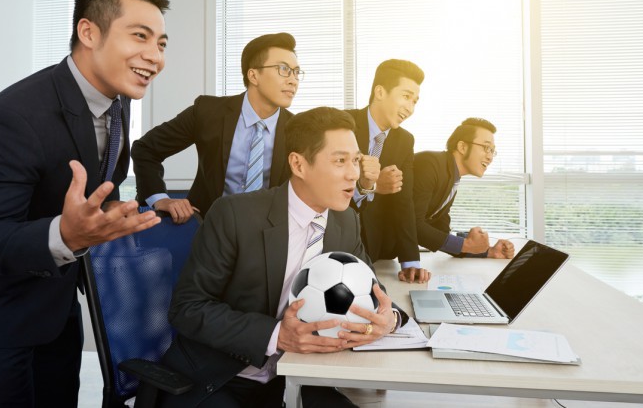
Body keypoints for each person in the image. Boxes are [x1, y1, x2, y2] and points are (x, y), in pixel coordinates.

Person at [0, 0, 169, 407]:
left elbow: (95, 190)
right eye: (140, 37)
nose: (155, 57)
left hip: (56, 316)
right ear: (88, 32)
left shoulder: (117, 102)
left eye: (162, 44)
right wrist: (65, 236)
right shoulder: (14, 117)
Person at [160, 107, 408, 408]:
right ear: (299, 164)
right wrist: (277, 335)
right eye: (340, 160)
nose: (354, 173)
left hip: (296, 377)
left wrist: (389, 319)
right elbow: (187, 308)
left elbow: (373, 292)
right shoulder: (234, 215)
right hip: (221, 377)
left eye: (356, 160)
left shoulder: (345, 222)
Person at [131, 32, 301, 223]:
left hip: (267, 233)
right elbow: (145, 149)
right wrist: (160, 198)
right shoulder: (208, 112)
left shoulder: (298, 129)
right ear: (253, 75)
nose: (293, 80)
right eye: (284, 69)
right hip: (209, 227)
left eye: (296, 72)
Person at [347, 59, 430, 283]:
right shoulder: (344, 124)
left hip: (375, 251)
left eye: (415, 101)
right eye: (405, 96)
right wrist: (371, 187)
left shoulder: (405, 140)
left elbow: (404, 201)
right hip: (335, 241)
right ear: (380, 92)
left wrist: (411, 260)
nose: (410, 109)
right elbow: (322, 186)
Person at [413, 117, 515, 259]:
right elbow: (413, 224)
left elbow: (441, 233)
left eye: (492, 151)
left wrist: (488, 251)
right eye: (486, 148)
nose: (490, 157)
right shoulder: (430, 165)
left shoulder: (451, 179)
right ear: (462, 147)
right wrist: (467, 244)